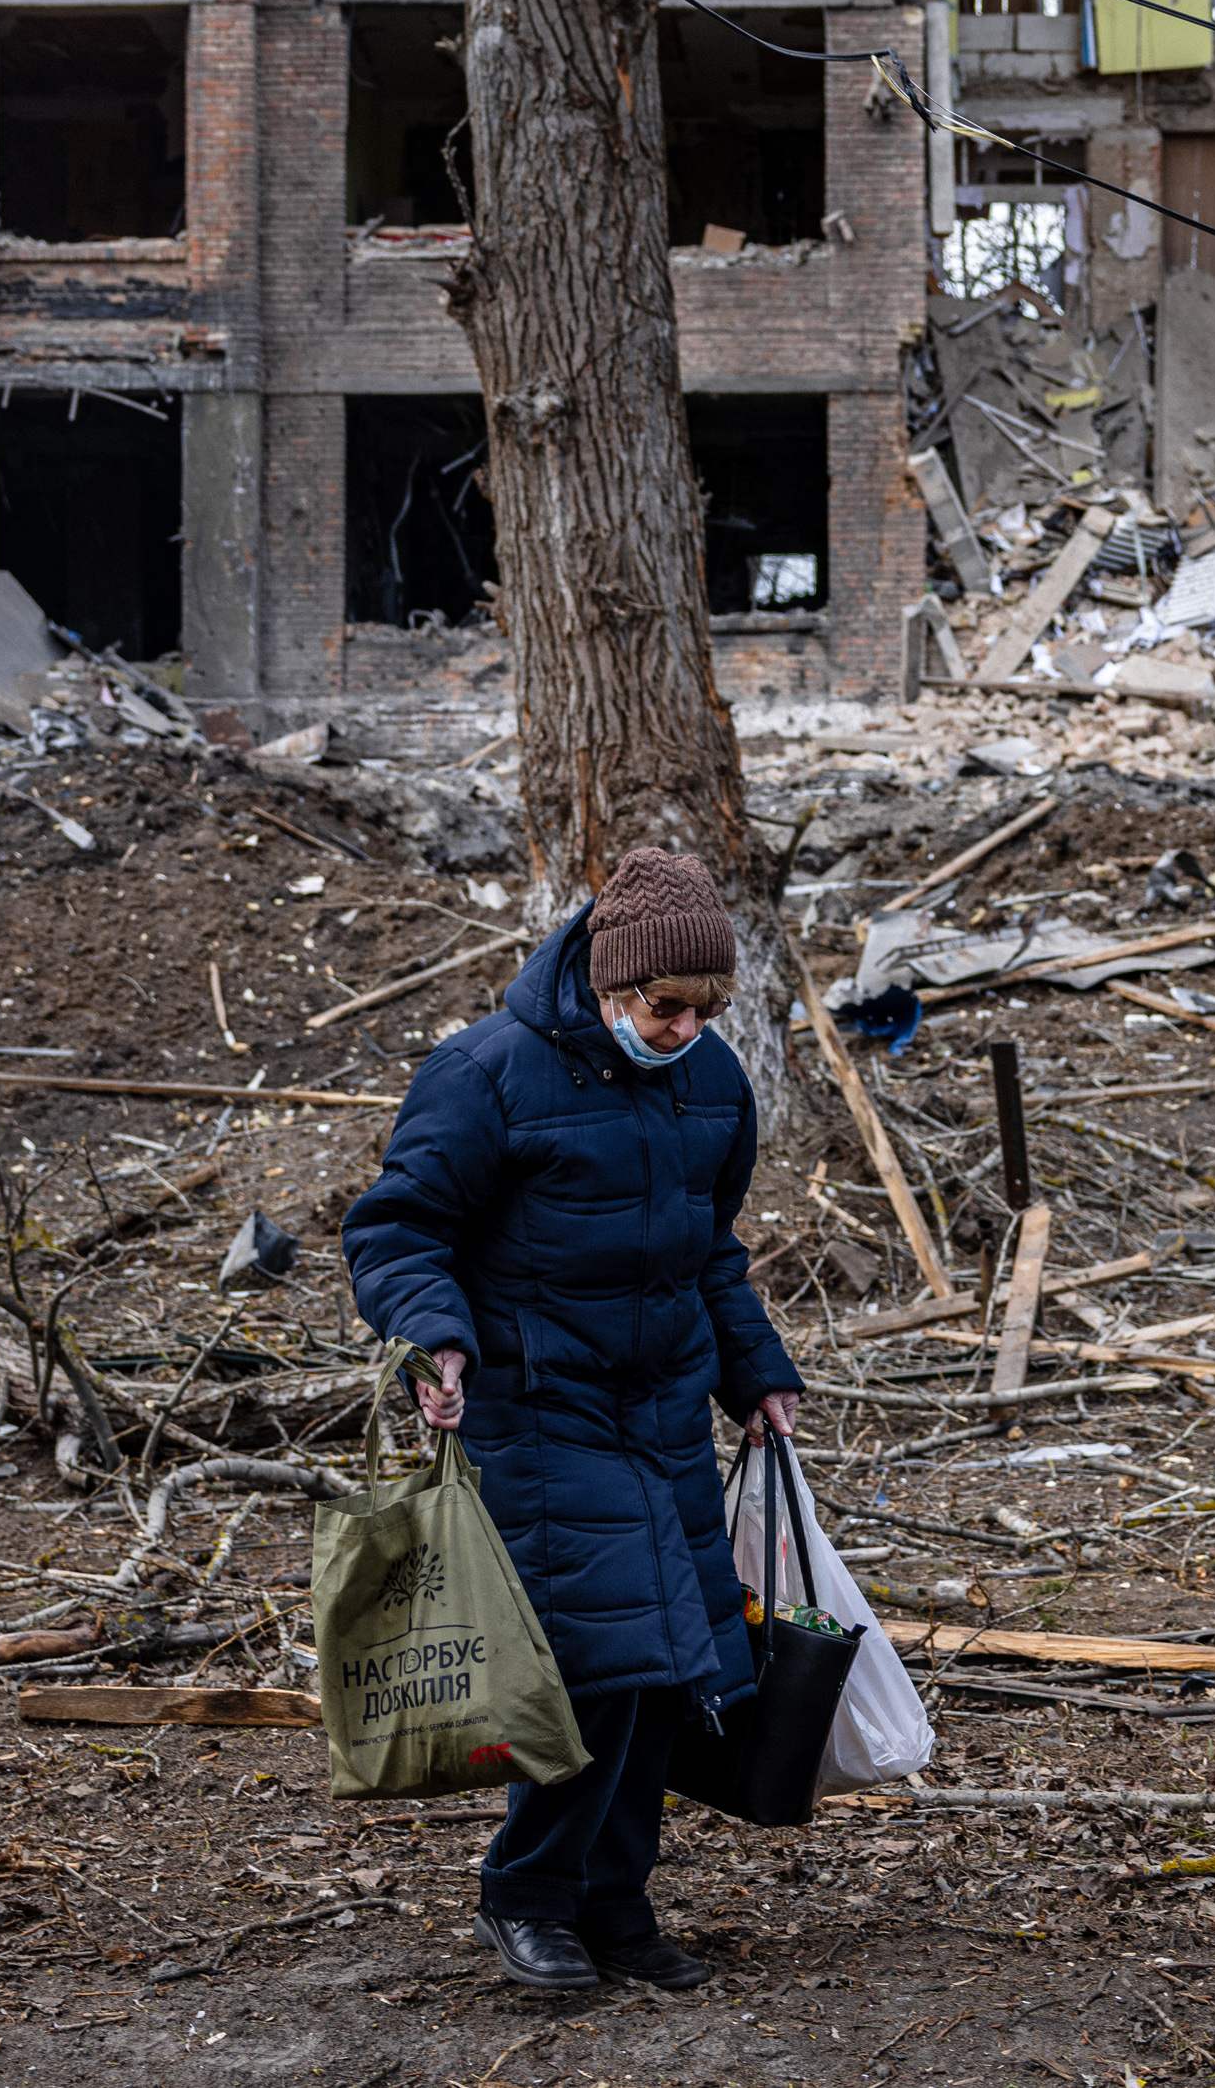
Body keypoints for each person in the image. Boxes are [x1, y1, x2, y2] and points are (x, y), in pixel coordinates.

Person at [341, 844, 804, 1995]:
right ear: (607, 981)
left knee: (668, 1675)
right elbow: (398, 1230)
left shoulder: (712, 1086)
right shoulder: (487, 1073)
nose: (684, 1027)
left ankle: (617, 1903)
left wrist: (755, 1372)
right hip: (539, 1415)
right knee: (592, 1671)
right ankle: (529, 1896)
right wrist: (435, 1337)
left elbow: (710, 1250)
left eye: (706, 1008)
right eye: (663, 1005)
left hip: (661, 1419)